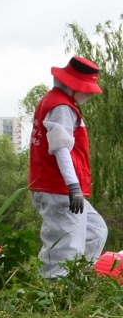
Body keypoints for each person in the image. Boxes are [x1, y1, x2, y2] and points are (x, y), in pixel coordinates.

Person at [28, 56, 108, 279]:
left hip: (59, 186)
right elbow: (61, 148)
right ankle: (56, 293)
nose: (90, 94)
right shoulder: (61, 107)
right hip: (59, 187)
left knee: (95, 231)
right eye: (87, 89)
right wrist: (73, 186)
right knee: (65, 244)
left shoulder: (55, 101)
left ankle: (77, 279)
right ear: (74, 86)